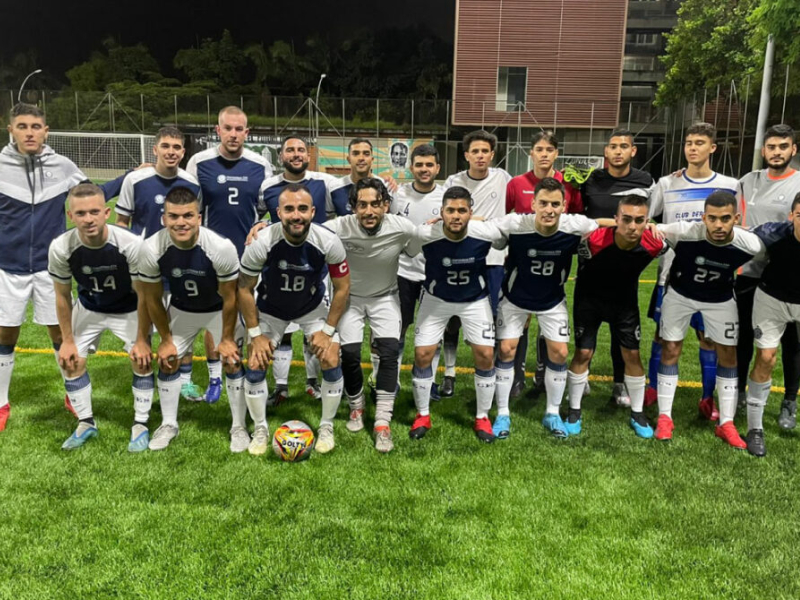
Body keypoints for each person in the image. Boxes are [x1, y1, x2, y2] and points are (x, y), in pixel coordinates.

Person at [0, 103, 126, 432]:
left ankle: (73, 395)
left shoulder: (62, 165)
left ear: (46, 131)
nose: (30, 132)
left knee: (60, 334)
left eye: (36, 126)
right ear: (10, 129)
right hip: (6, 268)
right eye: (23, 126)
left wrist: (130, 177)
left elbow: (94, 195)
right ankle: (1, 402)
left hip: (49, 269)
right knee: (5, 334)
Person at [239, 183, 350, 454]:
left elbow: (343, 287)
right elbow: (243, 288)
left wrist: (328, 330)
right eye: (289, 209)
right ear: (278, 212)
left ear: (313, 212)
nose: (296, 215)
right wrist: (255, 335)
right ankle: (261, 428)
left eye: (302, 208)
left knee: (331, 355)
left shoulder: (328, 241)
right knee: (256, 359)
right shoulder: (263, 242)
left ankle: (326, 426)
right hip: (271, 308)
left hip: (311, 306)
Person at [653, 191, 764, 448]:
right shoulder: (683, 231)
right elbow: (653, 229)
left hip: (721, 299)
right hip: (680, 295)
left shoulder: (751, 245)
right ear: (703, 217)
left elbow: (767, 256)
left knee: (728, 354)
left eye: (725, 218)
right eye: (712, 218)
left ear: (736, 218)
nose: (718, 225)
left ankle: (726, 423)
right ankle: (665, 417)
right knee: (670, 348)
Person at [491, 178, 599, 439]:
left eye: (555, 204)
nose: (549, 209)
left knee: (560, 353)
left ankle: (552, 412)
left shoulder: (576, 226)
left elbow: (602, 225)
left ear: (564, 206)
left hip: (552, 299)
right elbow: (486, 229)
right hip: (515, 298)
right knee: (506, 350)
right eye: (543, 203)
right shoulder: (515, 224)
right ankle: (502, 413)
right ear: (532, 204)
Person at [48, 183, 152, 450]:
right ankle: (86, 422)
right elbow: (61, 295)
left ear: (107, 213)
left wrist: (142, 338)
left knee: (142, 360)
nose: (88, 219)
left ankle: (140, 424)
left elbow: (144, 294)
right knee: (70, 361)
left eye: (94, 212)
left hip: (128, 308)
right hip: (89, 307)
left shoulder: (129, 244)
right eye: (80, 213)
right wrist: (67, 340)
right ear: (70, 216)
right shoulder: (61, 247)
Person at [137, 187, 241, 451]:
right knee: (168, 359)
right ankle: (169, 424)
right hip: (182, 309)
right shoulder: (151, 249)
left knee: (232, 359)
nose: (180, 222)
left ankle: (238, 426)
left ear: (199, 217)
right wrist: (165, 339)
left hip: (218, 310)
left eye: (187, 215)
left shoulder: (221, 247)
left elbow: (231, 298)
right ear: (164, 218)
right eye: (173, 216)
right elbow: (152, 298)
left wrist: (227, 338)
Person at [647, 122, 739, 419]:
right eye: (689, 142)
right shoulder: (666, 183)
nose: (692, 148)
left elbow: (738, 228)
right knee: (663, 336)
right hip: (671, 276)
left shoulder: (729, 185)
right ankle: (652, 389)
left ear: (713, 147)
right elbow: (648, 223)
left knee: (709, 339)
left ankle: (707, 397)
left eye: (700, 142)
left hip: (713, 278)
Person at [406, 186, 506, 443]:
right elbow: (410, 251)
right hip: (436, 299)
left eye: (462, 210)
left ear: (471, 212)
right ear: (441, 212)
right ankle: (423, 414)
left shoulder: (484, 232)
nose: (456, 216)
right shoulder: (426, 233)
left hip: (475, 300)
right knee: (422, 354)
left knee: (485, 354)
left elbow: (503, 239)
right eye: (450, 210)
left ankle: (482, 417)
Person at [186, 106, 271, 405]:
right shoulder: (200, 162)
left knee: (252, 318)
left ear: (247, 132)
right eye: (228, 128)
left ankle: (253, 375)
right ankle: (214, 379)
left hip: (250, 256)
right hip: (211, 255)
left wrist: (263, 224)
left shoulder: (260, 165)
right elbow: (189, 206)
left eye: (239, 129)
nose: (234, 134)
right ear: (217, 130)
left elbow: (270, 209)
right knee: (217, 318)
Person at [325, 178, 416, 452]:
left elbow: (421, 241)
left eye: (375, 204)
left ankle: (382, 422)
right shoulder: (338, 228)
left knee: (389, 353)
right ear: (352, 207)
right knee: (350, 354)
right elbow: (305, 230)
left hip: (385, 298)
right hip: (349, 299)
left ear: (386, 205)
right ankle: (357, 407)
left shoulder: (402, 228)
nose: (369, 211)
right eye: (362, 205)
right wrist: (262, 227)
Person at [567, 195, 666, 438]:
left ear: (647, 221)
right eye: (627, 219)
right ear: (616, 220)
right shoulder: (594, 241)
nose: (633, 226)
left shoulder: (655, 244)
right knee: (583, 353)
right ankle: (573, 410)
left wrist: (658, 228)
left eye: (639, 220)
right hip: (589, 301)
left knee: (631, 355)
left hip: (625, 304)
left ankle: (638, 413)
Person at [259, 135, 348, 405]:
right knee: (282, 331)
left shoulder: (325, 182)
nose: (295, 154)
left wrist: (385, 182)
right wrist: (257, 226)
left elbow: (349, 204)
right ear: (281, 156)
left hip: (314, 268)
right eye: (290, 150)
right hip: (279, 268)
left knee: (317, 336)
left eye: (300, 150)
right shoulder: (268, 186)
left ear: (308, 155)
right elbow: (260, 216)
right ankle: (282, 387)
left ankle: (313, 382)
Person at [505, 130, 583, 400]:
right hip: (522, 259)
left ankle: (542, 369)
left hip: (554, 257)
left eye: (549, 149)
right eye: (539, 149)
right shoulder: (516, 183)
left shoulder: (568, 184)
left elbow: (578, 220)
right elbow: (508, 222)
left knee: (548, 314)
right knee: (521, 320)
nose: (544, 154)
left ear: (556, 153)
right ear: (531, 153)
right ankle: (517, 373)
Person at [580, 128, 655, 406]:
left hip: (626, 262)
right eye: (613, 146)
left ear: (633, 151)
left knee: (620, 330)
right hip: (594, 262)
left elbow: (649, 218)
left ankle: (619, 383)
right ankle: (582, 375)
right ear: (606, 152)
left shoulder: (645, 181)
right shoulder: (592, 180)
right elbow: (581, 216)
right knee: (587, 324)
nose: (618, 151)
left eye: (624, 146)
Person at [735, 124, 800, 429]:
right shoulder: (748, 181)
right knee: (745, 337)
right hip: (748, 271)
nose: (777, 152)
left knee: (791, 345)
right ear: (764, 150)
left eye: (783, 147)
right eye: (771, 147)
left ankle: (789, 400)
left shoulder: (799, 182)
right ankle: (738, 391)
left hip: (786, 274)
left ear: (793, 150)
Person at [439, 130, 511, 398]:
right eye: (475, 151)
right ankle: (449, 373)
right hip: (459, 257)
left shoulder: (503, 178)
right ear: (466, 155)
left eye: (485, 151)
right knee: (451, 319)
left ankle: (490, 375)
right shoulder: (453, 181)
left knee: (490, 319)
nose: (480, 156)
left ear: (492, 155)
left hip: (492, 261)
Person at [743, 195, 800, 456]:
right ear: (791, 216)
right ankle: (755, 428)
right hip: (772, 298)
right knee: (765, 358)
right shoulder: (771, 233)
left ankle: (790, 401)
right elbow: (737, 236)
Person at [392, 145, 445, 393]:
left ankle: (429, 379)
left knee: (433, 330)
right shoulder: (397, 195)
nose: (424, 169)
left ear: (437, 168)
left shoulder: (446, 198)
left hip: (434, 275)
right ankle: (393, 378)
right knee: (398, 327)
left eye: (429, 165)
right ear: (411, 167)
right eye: (419, 165)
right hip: (401, 272)